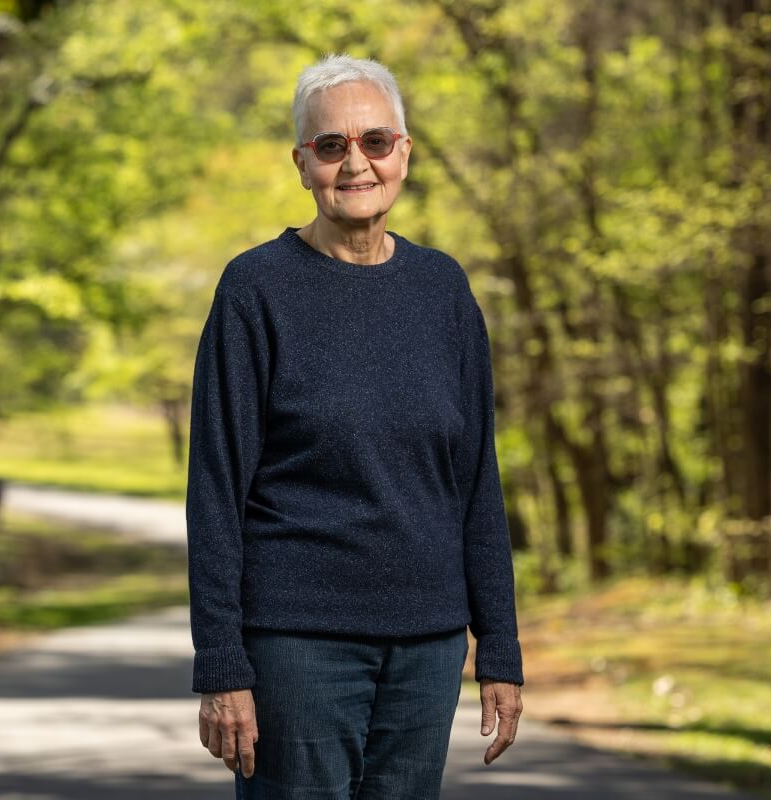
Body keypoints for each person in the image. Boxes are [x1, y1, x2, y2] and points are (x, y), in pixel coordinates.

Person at [186, 53, 524, 799]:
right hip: (296, 647)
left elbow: (477, 482)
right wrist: (221, 663)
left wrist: (499, 644)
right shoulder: (255, 289)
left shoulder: (443, 289)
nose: (356, 163)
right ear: (303, 164)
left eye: (375, 141)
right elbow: (214, 489)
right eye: (331, 145)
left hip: (428, 648)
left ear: (404, 151)